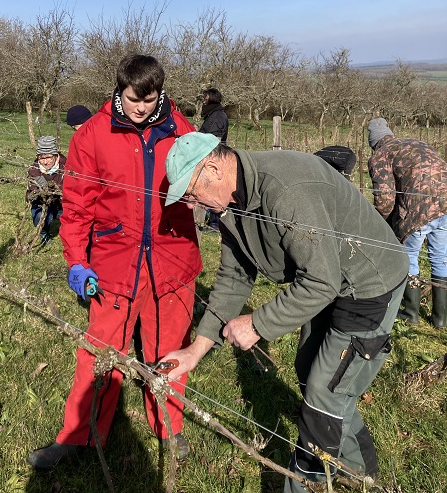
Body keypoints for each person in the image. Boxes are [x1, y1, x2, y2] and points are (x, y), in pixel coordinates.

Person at [160, 132, 408, 492]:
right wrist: (194, 351)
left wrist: (257, 324)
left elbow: (320, 281)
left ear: (212, 168)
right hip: (329, 278)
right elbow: (234, 276)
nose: (189, 204)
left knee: (326, 391)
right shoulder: (230, 203)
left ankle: (304, 483)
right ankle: (359, 473)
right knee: (311, 372)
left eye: (191, 193)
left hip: (369, 281)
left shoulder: (286, 190)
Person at [27, 54, 202, 469]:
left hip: (173, 259)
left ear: (161, 93)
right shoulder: (91, 135)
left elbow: (205, 186)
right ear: (119, 91)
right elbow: (77, 208)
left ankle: (168, 427)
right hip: (114, 264)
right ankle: (80, 435)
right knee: (100, 351)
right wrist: (76, 261)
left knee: (169, 350)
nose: (141, 107)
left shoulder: (182, 131)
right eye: (133, 98)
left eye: (150, 98)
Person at [367, 117, 447, 329]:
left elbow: (384, 199)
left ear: (373, 142)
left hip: (419, 211)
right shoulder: (417, 143)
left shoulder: (381, 154)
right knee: (440, 258)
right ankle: (440, 319)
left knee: (409, 257)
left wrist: (383, 225)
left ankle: (411, 312)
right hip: (446, 203)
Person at [26, 136, 66, 245]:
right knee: (39, 215)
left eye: (48, 158)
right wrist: (33, 195)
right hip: (42, 203)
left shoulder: (66, 167)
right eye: (41, 158)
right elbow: (31, 191)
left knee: (74, 217)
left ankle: (70, 234)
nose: (45, 162)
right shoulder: (34, 170)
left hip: (62, 204)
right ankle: (43, 232)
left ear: (55, 156)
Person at [199, 88, 228, 231]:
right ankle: (212, 222)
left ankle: (215, 224)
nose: (204, 100)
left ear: (212, 99)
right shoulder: (214, 114)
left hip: (212, 159)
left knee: (212, 192)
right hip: (211, 158)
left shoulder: (217, 117)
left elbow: (213, 140)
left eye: (206, 98)